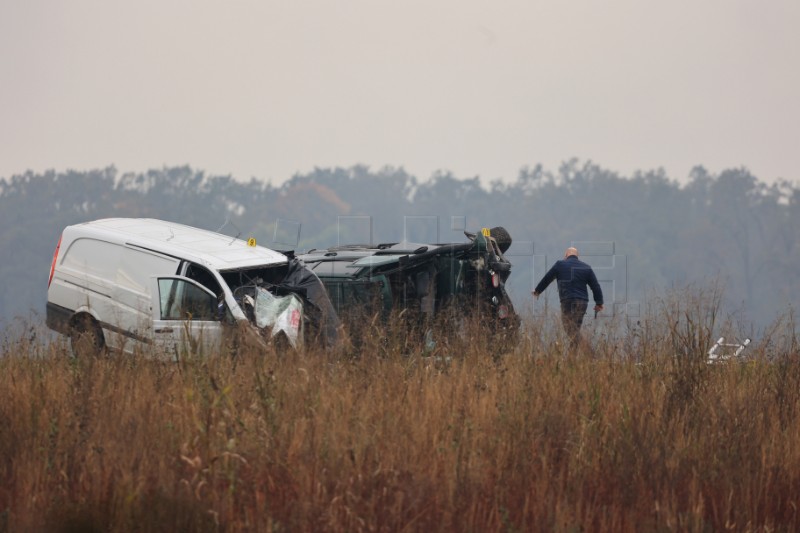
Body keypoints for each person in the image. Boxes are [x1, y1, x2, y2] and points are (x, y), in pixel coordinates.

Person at [532, 247, 603, 351]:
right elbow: (595, 286)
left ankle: (591, 353)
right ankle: (571, 359)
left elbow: (547, 278)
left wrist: (538, 290)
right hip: (582, 302)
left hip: (567, 301)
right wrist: (599, 302)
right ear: (577, 256)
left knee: (569, 329)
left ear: (566, 255)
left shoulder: (560, 265)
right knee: (574, 330)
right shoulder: (586, 268)